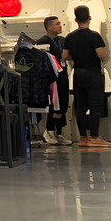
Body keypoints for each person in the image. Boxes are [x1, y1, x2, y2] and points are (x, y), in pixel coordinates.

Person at [62, 5, 111, 149]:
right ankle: (94, 137)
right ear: (89, 18)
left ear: (75, 20)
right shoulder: (94, 36)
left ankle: (83, 137)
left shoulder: (70, 37)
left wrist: (76, 57)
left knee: (80, 106)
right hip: (93, 73)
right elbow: (102, 56)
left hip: (78, 73)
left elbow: (64, 56)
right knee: (95, 106)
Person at [38, 15, 71, 146]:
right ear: (49, 27)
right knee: (55, 105)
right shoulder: (42, 42)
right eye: (57, 24)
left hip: (63, 75)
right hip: (52, 78)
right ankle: (50, 130)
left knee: (63, 105)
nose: (60, 26)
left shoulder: (63, 40)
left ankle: (58, 132)